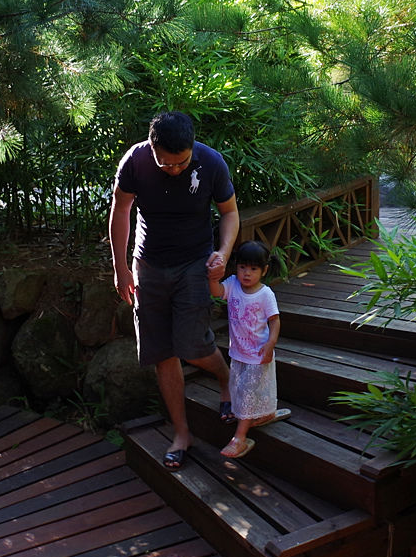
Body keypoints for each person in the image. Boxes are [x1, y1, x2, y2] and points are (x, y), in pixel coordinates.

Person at [109, 110, 238, 470]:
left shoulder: (211, 162)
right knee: (162, 351)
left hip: (194, 264)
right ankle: (182, 433)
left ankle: (225, 377)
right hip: (148, 265)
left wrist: (223, 254)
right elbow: (121, 211)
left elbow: (229, 212)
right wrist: (120, 268)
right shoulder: (135, 162)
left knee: (193, 344)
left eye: (182, 163)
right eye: (167, 163)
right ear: (153, 148)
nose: (175, 170)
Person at [208, 239, 288, 459]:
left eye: (253, 269)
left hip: (258, 354)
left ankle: (240, 438)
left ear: (264, 270)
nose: (246, 273)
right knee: (240, 388)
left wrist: (271, 344)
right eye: (242, 267)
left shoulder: (265, 294)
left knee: (248, 392)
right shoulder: (233, 284)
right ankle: (262, 414)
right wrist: (213, 278)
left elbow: (275, 321)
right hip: (239, 352)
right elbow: (216, 292)